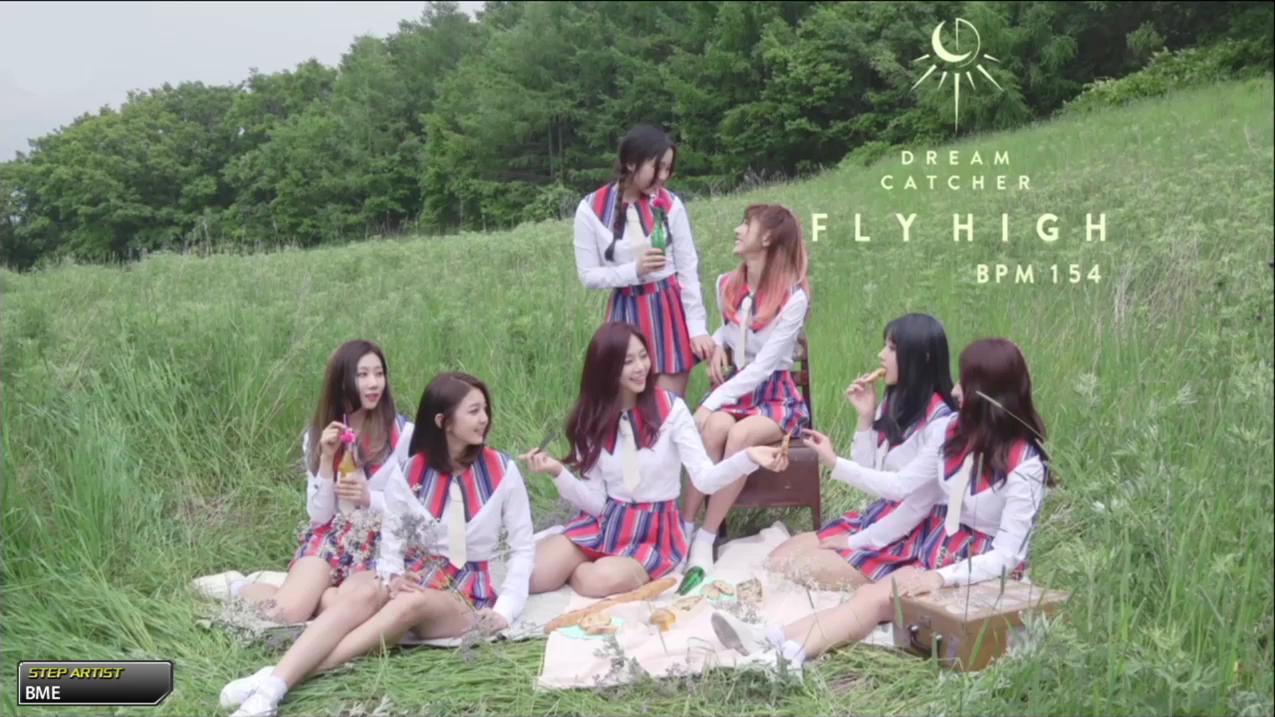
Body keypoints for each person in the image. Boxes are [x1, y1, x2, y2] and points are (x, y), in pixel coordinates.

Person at [711, 338, 1052, 673]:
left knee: (876, 599)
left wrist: (940, 577)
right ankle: (773, 641)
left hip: (981, 567)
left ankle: (785, 655)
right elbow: (908, 491)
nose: (955, 390)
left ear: (987, 393)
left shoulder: (1026, 463)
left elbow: (1009, 556)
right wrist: (855, 528)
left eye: (965, 383)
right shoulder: (954, 431)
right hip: (938, 547)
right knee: (872, 597)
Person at [221, 372, 534, 717]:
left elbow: (523, 547)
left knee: (408, 603)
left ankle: (275, 682)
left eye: (485, 409)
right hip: (418, 570)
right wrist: (393, 576)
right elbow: (393, 538)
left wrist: (505, 610)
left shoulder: (502, 471)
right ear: (443, 422)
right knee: (364, 593)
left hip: (465, 588)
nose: (484, 418)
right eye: (474, 411)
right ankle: (273, 685)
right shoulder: (411, 471)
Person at [521, 322, 788, 597]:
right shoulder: (595, 420)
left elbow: (705, 479)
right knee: (533, 577)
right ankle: (584, 557)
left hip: (654, 532)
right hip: (608, 521)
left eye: (643, 356)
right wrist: (558, 472)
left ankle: (591, 566)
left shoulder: (672, 410)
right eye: (628, 361)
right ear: (606, 368)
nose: (640, 367)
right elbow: (597, 503)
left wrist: (748, 457)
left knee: (595, 580)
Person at [767, 313, 957, 588]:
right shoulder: (896, 403)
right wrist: (865, 418)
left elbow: (906, 495)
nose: (881, 355)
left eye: (892, 349)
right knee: (777, 560)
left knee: (802, 568)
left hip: (912, 530)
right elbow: (870, 472)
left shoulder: (942, 424)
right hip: (883, 513)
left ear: (921, 357)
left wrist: (836, 464)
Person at [231, 340, 413, 623]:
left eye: (379, 373)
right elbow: (319, 516)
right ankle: (237, 587)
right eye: (362, 375)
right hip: (332, 540)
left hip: (381, 546)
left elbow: (415, 507)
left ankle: (312, 596)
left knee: (352, 614)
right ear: (342, 381)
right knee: (283, 614)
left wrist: (370, 498)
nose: (374, 383)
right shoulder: (319, 434)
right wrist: (327, 460)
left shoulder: (405, 436)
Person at [680, 204, 812, 571]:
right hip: (737, 390)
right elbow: (730, 330)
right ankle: (684, 529)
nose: (738, 231)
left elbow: (764, 366)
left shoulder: (793, 297)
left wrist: (711, 402)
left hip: (773, 394)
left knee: (739, 436)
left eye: (746, 225)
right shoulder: (727, 283)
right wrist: (717, 344)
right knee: (713, 429)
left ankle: (706, 538)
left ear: (767, 238)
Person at [572, 124, 715, 398]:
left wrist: (697, 328)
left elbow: (688, 270)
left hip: (669, 309)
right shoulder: (590, 209)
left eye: (668, 169)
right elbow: (588, 275)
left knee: (669, 411)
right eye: (657, 167)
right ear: (630, 163)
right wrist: (633, 271)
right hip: (626, 312)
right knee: (627, 410)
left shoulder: (670, 204)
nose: (663, 176)